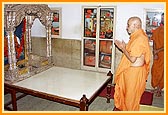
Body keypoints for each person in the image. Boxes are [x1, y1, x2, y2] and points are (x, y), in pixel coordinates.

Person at [113, 16, 151, 111]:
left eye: (128, 25)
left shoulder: (139, 38)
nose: (127, 27)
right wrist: (125, 47)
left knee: (131, 98)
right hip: (131, 71)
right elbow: (133, 52)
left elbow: (132, 59)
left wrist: (123, 48)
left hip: (135, 73)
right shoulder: (136, 36)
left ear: (135, 25)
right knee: (126, 95)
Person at [151, 13, 164, 97]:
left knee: (162, 73)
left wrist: (158, 50)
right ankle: (155, 88)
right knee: (154, 71)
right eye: (162, 18)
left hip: (164, 55)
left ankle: (159, 89)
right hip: (157, 54)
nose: (163, 19)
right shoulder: (157, 30)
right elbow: (154, 41)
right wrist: (154, 52)